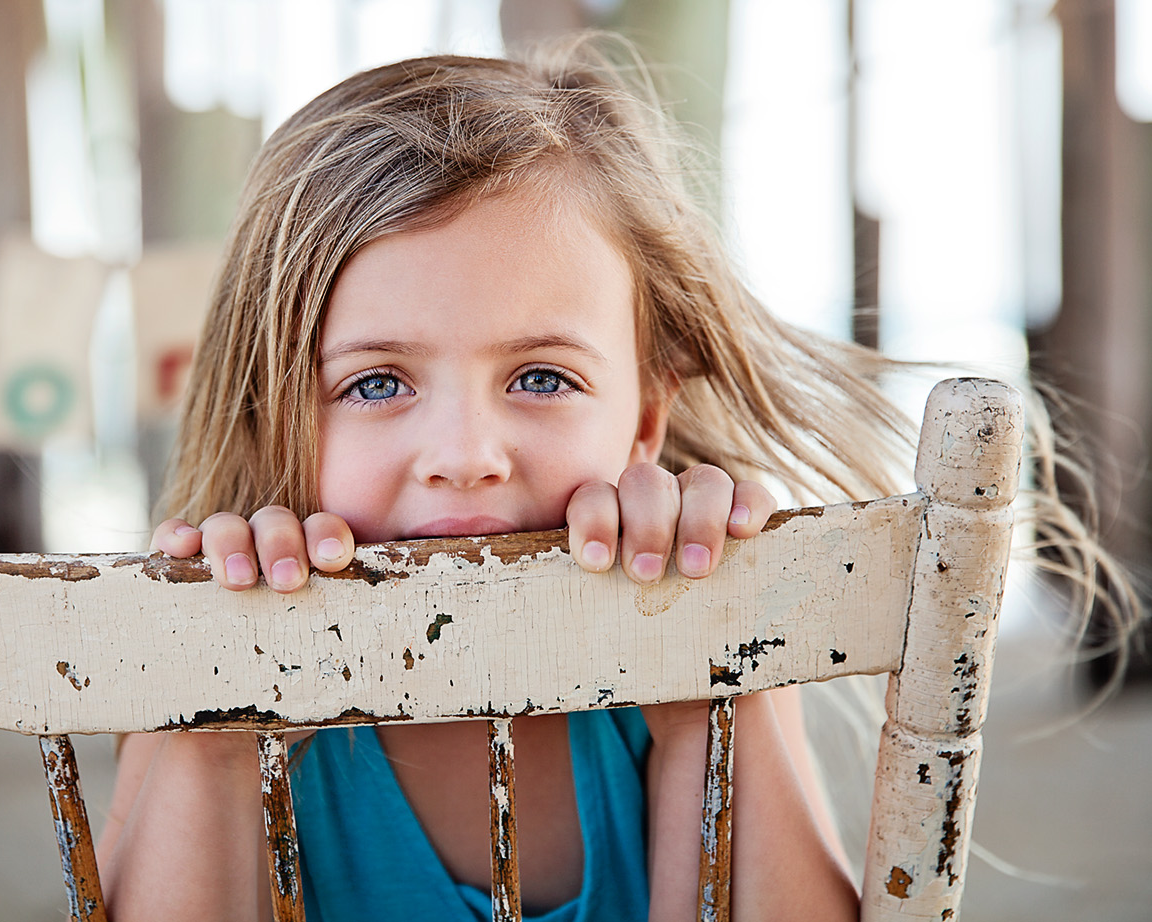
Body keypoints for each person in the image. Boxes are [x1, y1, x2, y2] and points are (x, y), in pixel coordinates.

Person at [94, 36, 1136, 922]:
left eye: (541, 376)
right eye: (375, 383)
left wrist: (716, 663)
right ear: (269, 407)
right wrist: (216, 713)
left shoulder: (681, 664)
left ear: (646, 417)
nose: (467, 451)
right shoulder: (203, 665)